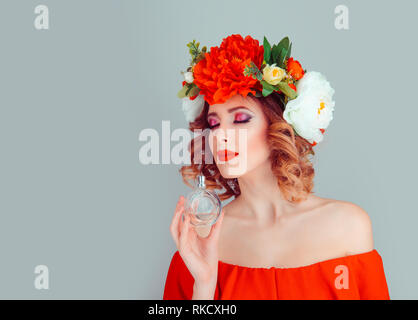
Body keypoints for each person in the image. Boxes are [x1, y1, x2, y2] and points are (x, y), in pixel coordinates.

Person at [163, 34, 390, 300]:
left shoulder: (349, 227)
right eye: (214, 123)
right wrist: (203, 284)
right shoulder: (200, 242)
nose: (221, 135)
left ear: (278, 125)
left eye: (240, 119)